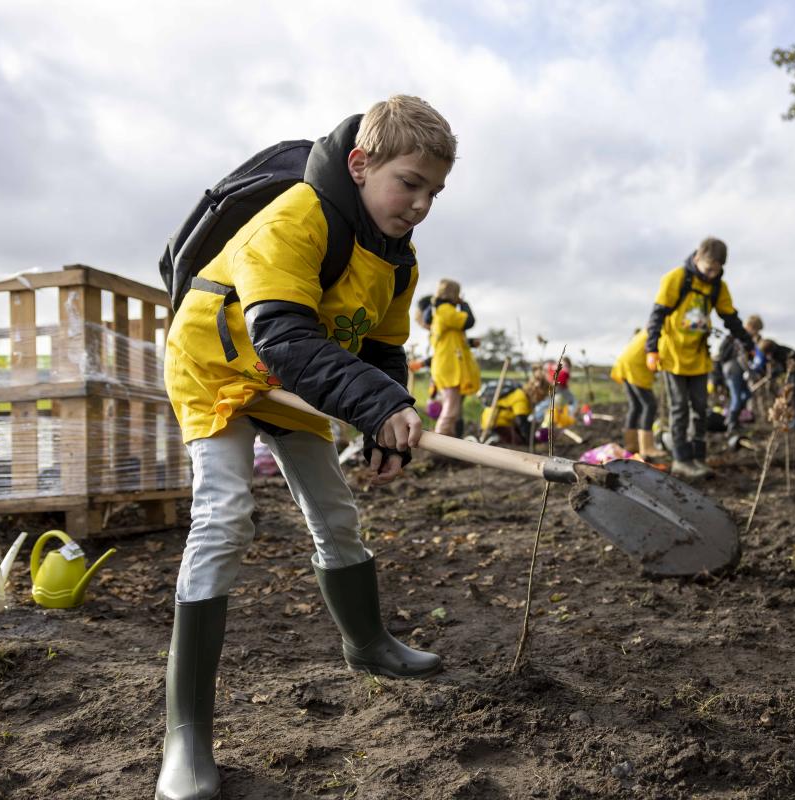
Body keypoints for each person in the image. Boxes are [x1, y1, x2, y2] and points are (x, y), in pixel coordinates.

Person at [156, 95, 457, 800]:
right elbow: (285, 337)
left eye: (434, 192)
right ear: (360, 165)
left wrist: (389, 422)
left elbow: (381, 353)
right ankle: (185, 734)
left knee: (335, 511)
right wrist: (374, 406)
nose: (420, 204)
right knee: (226, 518)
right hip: (219, 368)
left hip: (292, 382)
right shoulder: (297, 217)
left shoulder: (397, 260)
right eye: (408, 183)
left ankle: (369, 644)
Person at [646, 236, 753, 480]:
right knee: (679, 408)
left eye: (717, 270)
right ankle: (681, 460)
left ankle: (698, 458)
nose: (712, 274)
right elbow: (657, 316)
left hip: (699, 358)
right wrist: (652, 349)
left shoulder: (717, 287)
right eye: (708, 269)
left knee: (700, 410)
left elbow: (731, 319)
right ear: (697, 258)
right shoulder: (676, 279)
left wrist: (748, 344)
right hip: (673, 356)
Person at [428, 279, 478, 437]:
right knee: (451, 408)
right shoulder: (445, 310)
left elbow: (453, 340)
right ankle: (440, 440)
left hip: (444, 365)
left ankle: (446, 441)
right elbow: (469, 321)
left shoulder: (440, 312)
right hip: (448, 366)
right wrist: (464, 304)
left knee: (451, 406)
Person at [610, 329, 661, 459]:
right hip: (635, 367)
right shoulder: (662, 329)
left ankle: (631, 445)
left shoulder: (645, 331)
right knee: (650, 405)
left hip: (624, 365)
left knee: (636, 406)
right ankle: (647, 447)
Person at [480, 368, 548, 444]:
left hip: (504, 421)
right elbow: (522, 422)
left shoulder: (523, 395)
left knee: (522, 438)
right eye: (543, 396)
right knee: (518, 443)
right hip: (495, 422)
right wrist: (531, 441)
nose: (543, 399)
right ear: (537, 392)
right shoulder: (521, 398)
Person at [756, 337, 795, 430]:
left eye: (766, 354)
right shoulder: (778, 350)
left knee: (793, 396)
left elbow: (784, 368)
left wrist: (773, 374)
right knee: (788, 397)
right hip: (794, 372)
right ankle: (789, 421)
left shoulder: (780, 353)